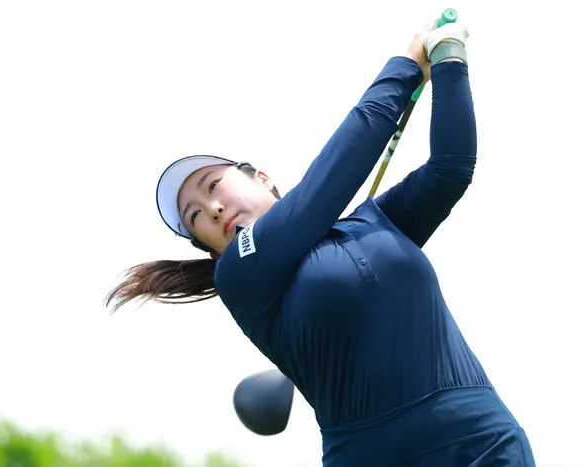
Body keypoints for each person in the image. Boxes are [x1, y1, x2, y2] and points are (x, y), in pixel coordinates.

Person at [105, 16, 537, 467]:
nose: (211, 208)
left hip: (483, 441)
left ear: (261, 178)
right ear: (212, 250)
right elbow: (329, 183)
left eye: (213, 186)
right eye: (195, 216)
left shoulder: (374, 223)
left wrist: (449, 60)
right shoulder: (238, 275)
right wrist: (405, 66)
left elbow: (450, 168)